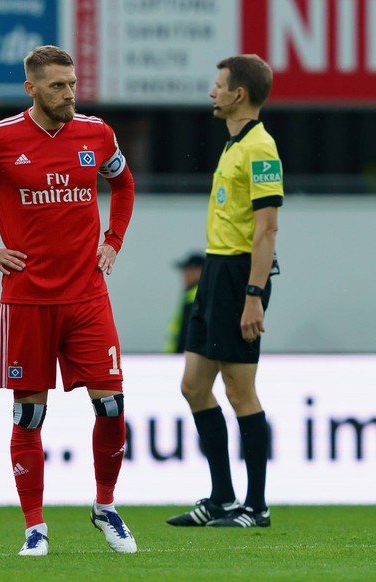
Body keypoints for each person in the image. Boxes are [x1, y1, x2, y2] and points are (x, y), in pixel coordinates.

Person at [0, 45, 137, 556]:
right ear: (31, 89)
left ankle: (106, 506)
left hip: (88, 296)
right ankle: (35, 526)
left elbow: (124, 184)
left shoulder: (96, 132)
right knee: (29, 417)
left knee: (112, 406)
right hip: (26, 300)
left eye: (71, 84)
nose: (69, 94)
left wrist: (112, 239)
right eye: (57, 86)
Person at [166, 54, 282, 528]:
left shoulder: (261, 148)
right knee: (194, 386)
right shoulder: (234, 145)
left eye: (218, 86)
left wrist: (253, 294)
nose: (212, 93)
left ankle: (256, 506)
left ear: (239, 94)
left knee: (240, 392)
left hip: (239, 278)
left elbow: (267, 230)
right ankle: (221, 499)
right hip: (216, 272)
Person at [164, 253, 206, 354]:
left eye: (188, 270)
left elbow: (186, 333)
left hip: (181, 359)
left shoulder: (194, 297)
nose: (184, 275)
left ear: (200, 271)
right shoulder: (198, 295)